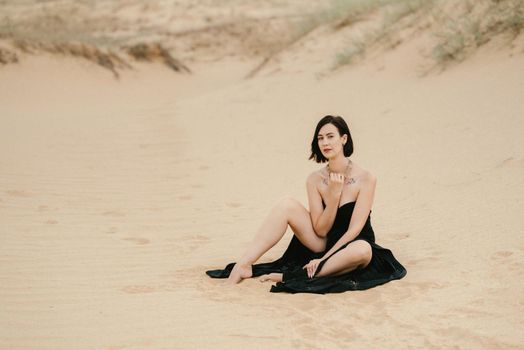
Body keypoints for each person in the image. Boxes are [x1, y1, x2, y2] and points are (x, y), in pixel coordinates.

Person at [206, 115, 406, 294]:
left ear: (344, 139)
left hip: (353, 244)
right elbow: (320, 229)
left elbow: (355, 228)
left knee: (363, 250)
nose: (325, 142)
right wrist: (334, 196)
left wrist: (324, 259)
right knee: (286, 204)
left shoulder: (366, 178)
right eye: (320, 138)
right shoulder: (315, 179)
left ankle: (294, 276)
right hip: (323, 240)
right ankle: (244, 264)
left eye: (330, 136)